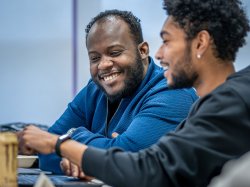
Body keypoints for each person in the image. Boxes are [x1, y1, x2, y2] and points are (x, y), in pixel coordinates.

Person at [20, 0, 250, 186]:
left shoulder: (226, 102)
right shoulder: (214, 104)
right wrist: (104, 158)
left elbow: (143, 165)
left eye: (167, 42)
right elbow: (145, 165)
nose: (160, 54)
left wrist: (62, 142)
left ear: (200, 43)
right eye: (94, 57)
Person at [19, 9, 198, 174]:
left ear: (142, 50)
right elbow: (46, 153)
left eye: (115, 53)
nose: (103, 65)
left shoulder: (173, 92)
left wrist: (73, 137)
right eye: (95, 58)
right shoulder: (93, 90)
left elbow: (129, 160)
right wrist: (94, 152)